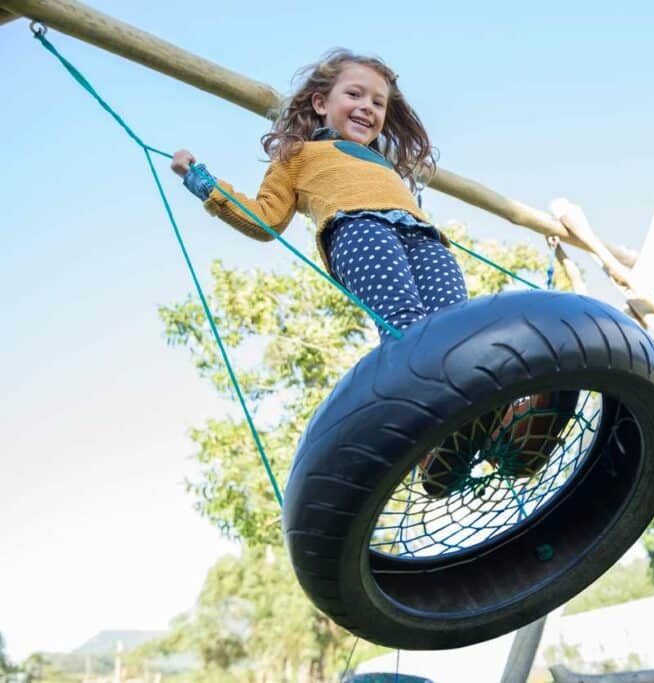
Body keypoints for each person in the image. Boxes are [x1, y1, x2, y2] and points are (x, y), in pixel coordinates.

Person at [171, 48, 560, 497]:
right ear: (321, 103)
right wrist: (203, 182)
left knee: (458, 334)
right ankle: (432, 444)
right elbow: (264, 219)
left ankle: (503, 433)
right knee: (409, 330)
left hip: (425, 239)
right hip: (357, 229)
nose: (367, 107)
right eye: (354, 94)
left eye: (378, 103)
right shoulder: (299, 155)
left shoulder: (385, 164)